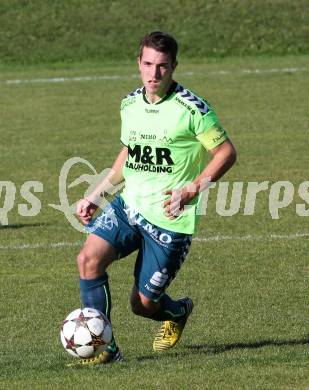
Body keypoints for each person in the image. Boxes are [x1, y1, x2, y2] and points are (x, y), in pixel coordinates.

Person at [73, 31, 236, 366]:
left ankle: (177, 312)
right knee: (87, 259)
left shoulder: (191, 109)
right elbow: (129, 154)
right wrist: (97, 194)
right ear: (139, 63)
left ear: (174, 66)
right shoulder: (130, 104)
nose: (154, 73)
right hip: (129, 206)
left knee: (143, 305)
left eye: (162, 66)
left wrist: (192, 188)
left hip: (169, 219)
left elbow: (226, 153)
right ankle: (106, 347)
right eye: (148, 64)